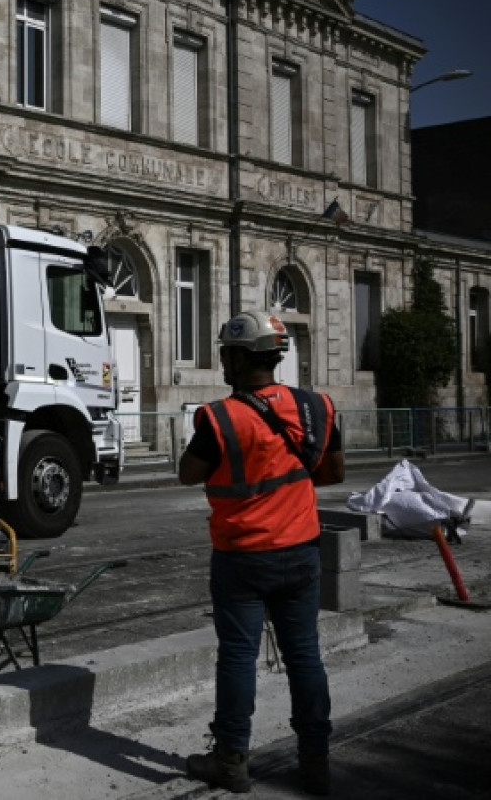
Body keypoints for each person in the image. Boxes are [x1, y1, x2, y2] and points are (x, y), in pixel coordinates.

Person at [177, 310, 344, 796]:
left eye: (225, 354)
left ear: (240, 357)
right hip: (300, 549)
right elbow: (331, 473)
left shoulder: (220, 417)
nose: (222, 363)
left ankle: (231, 759)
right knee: (305, 656)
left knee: (238, 657)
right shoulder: (316, 407)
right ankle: (315, 761)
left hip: (242, 557)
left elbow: (190, 473)